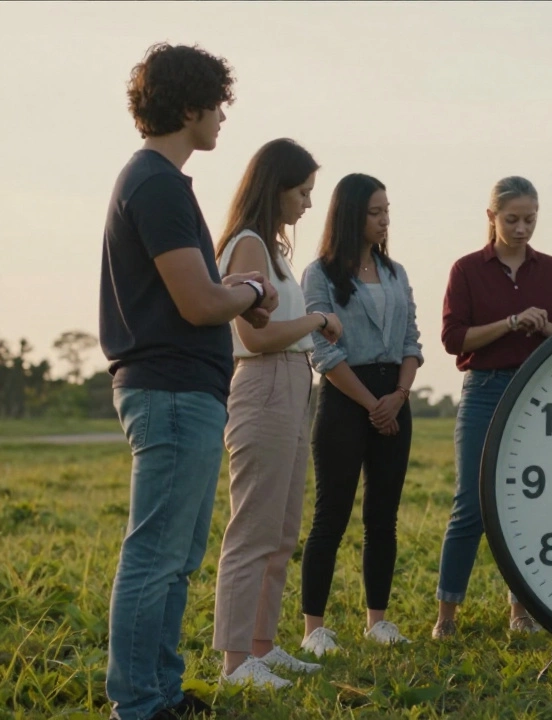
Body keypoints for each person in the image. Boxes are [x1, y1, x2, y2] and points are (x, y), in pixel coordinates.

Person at [99, 43, 280, 720]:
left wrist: (232, 289)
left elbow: (204, 292)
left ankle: (162, 693)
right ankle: (139, 704)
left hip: (186, 391)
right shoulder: (156, 184)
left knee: (177, 558)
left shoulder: (159, 183)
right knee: (156, 555)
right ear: (188, 106)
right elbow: (200, 305)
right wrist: (250, 288)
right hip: (171, 391)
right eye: (217, 104)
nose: (223, 116)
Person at [211, 138, 342, 688]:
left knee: (282, 529)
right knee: (253, 529)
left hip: (292, 386)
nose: (309, 203)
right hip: (264, 386)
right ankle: (235, 663)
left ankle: (262, 648)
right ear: (277, 188)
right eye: (303, 191)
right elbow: (252, 335)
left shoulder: (272, 251)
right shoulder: (247, 246)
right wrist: (315, 322)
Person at [433, 176, 552, 639]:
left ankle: (521, 612)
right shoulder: (466, 270)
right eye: (513, 219)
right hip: (483, 390)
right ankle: (446, 617)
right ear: (491, 217)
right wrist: (511, 323)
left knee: (531, 504)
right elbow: (454, 339)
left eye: (531, 220)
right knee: (471, 505)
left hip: (540, 393)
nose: (522, 229)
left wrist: (542, 327)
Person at [298, 173, 423, 655]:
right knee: (331, 514)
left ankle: (379, 620)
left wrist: (399, 395)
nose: (384, 220)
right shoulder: (320, 275)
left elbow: (412, 340)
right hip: (346, 401)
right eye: (375, 212)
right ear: (350, 215)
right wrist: (372, 405)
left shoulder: (396, 273)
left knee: (383, 516)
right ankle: (314, 628)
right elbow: (323, 356)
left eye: (387, 210)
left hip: (395, 396)